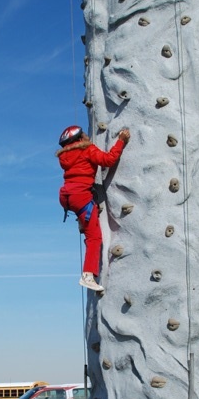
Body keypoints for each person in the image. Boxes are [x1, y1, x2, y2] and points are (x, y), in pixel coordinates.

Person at [57, 125, 131, 292]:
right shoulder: (87, 149)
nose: (86, 135)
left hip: (67, 196)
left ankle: (84, 221)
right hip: (80, 196)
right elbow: (108, 160)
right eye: (84, 133)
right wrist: (121, 141)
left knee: (88, 215)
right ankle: (88, 276)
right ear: (80, 138)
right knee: (95, 238)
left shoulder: (66, 156)